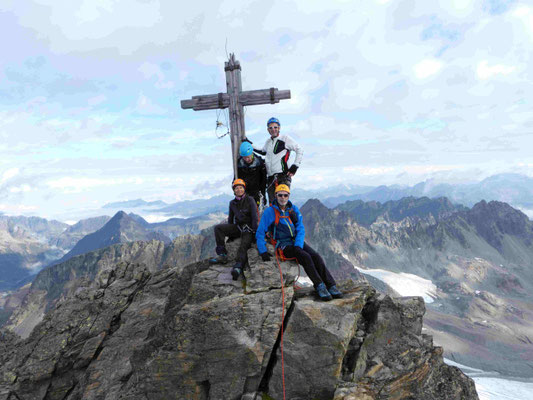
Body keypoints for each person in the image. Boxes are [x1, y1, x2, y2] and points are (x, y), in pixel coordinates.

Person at [255, 184, 343, 301]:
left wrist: (298, 245)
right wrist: (263, 251)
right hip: (283, 245)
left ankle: (331, 285)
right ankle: (319, 286)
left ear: (288, 196)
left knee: (316, 257)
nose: (282, 197)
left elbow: (300, 228)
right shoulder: (270, 212)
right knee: (305, 257)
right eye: (280, 195)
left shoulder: (293, 209)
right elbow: (260, 232)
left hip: (296, 242)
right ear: (276, 196)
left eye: (285, 195)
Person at [245, 117, 303, 204]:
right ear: (268, 129)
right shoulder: (268, 142)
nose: (273, 129)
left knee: (282, 203)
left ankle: (286, 218)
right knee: (272, 205)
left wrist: (295, 166)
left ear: (279, 128)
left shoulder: (285, 139)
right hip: (271, 177)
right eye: (270, 128)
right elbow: (262, 151)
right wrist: (249, 144)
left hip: (283, 176)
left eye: (275, 127)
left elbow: (299, 149)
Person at [209, 179, 258, 280]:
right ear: (234, 190)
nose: (239, 190)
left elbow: (254, 217)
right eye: (236, 188)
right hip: (238, 227)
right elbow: (231, 219)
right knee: (218, 228)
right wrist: (230, 233)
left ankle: (238, 267)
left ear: (244, 189)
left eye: (241, 188)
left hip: (248, 229)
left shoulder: (250, 200)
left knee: (243, 245)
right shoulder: (232, 203)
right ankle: (222, 254)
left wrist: (255, 232)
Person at [236, 142, 267, 208]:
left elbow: (263, 180)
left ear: (251, 153)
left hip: (256, 192)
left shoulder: (260, 163)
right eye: (244, 158)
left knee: (255, 212)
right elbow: (237, 179)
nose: (247, 159)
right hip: (244, 193)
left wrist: (263, 194)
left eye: (248, 157)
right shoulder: (239, 164)